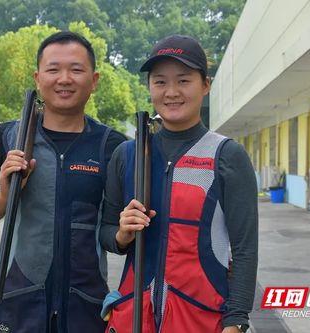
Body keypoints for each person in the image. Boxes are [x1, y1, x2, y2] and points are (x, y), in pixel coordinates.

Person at [0, 31, 126, 333]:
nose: (64, 78)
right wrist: (4, 195)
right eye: (53, 69)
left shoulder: (113, 146)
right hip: (19, 301)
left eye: (76, 70)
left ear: (94, 80)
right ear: (38, 77)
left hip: (87, 304)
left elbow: (115, 231)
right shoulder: (9, 137)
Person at [99, 35, 258, 333]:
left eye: (183, 80)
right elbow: (106, 235)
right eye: (160, 82)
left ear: (205, 85)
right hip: (134, 314)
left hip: (201, 317)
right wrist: (122, 233)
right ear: (149, 87)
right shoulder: (127, 155)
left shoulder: (227, 156)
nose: (171, 92)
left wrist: (236, 320)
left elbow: (245, 249)